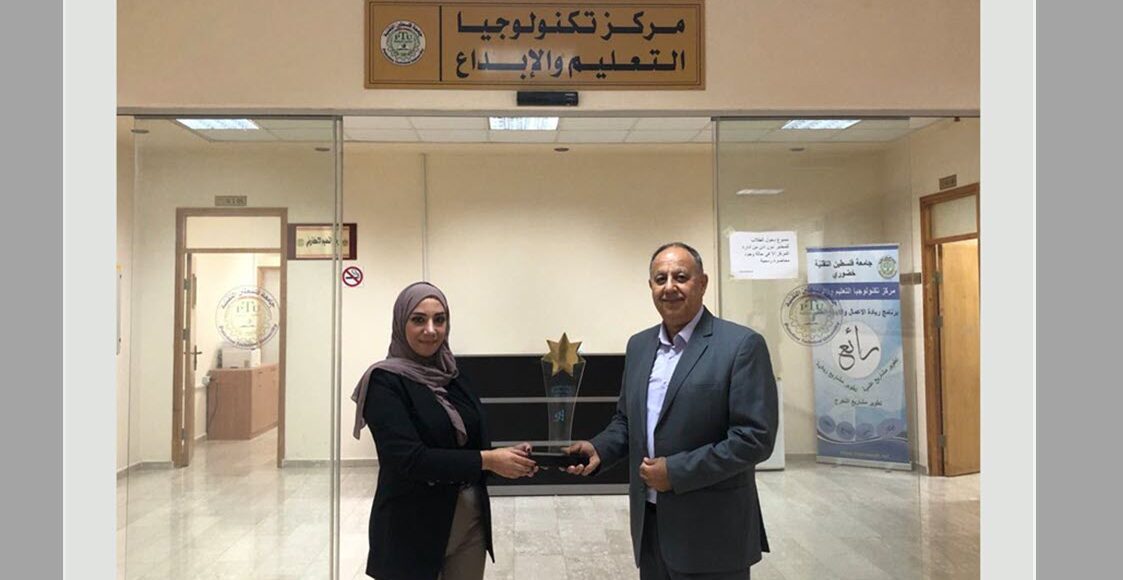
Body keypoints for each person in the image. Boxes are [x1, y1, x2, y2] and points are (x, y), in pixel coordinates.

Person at [565, 242, 779, 580]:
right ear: (650, 286)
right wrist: (600, 448)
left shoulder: (741, 345)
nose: (669, 287)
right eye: (660, 278)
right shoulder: (639, 345)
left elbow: (754, 439)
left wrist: (676, 472)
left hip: (714, 534)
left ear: (702, 283)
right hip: (650, 527)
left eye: (681, 277)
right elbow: (627, 420)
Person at [351, 282, 537, 580]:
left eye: (439, 319)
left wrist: (508, 458)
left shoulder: (452, 374)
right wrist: (488, 460)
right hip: (411, 526)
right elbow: (409, 459)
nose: (431, 330)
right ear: (400, 323)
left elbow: (472, 442)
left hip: (470, 522)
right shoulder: (384, 381)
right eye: (418, 319)